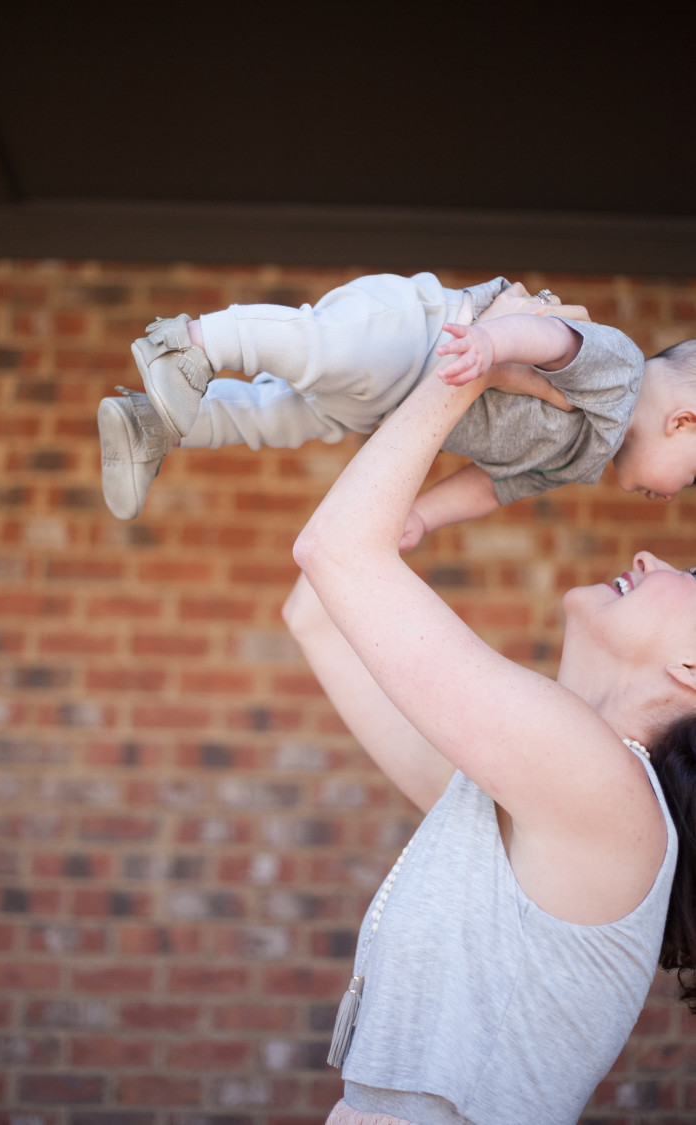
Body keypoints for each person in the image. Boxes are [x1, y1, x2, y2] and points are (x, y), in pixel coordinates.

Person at [282, 349, 696, 1125]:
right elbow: (317, 609)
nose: (650, 554)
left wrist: (470, 359)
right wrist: (437, 478)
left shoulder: (602, 790)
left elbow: (333, 552)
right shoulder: (537, 798)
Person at [97, 274, 696, 532]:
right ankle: (190, 343)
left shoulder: (583, 459)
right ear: (684, 422)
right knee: (318, 349)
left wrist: (421, 517)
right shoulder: (619, 375)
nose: (669, 497)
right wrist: (489, 342)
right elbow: (553, 337)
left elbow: (492, 487)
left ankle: (151, 426)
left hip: (387, 406)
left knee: (278, 416)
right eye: (688, 483)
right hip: (421, 333)